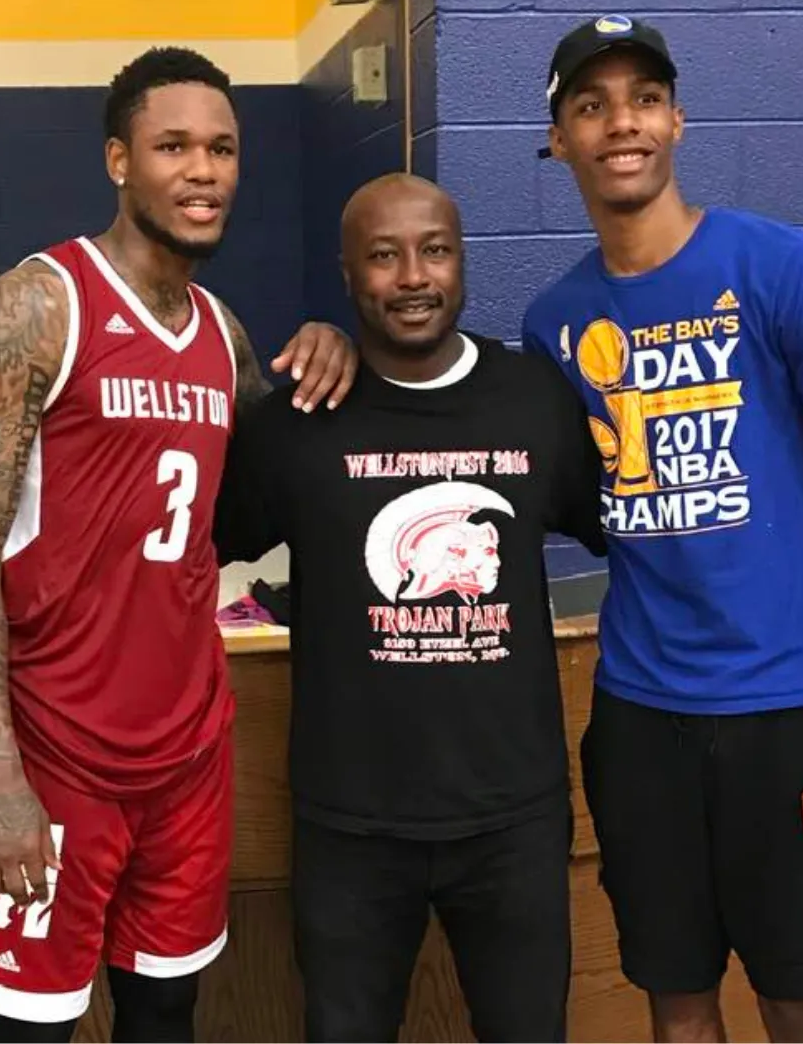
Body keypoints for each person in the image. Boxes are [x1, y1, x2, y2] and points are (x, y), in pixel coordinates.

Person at [0, 46, 356, 1044]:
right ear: (120, 160)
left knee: (167, 1010)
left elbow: (282, 476)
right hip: (55, 751)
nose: (204, 171)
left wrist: (332, 348)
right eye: (175, 147)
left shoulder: (223, 334)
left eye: (223, 149)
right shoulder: (37, 306)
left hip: (187, 753)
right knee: (34, 1025)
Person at [522, 15, 803, 1044]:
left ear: (678, 120)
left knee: (798, 1001)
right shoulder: (555, 323)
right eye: (590, 105)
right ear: (558, 139)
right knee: (676, 998)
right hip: (642, 719)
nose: (622, 124)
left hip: (791, 710)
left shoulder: (787, 270)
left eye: (644, 98)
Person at [213, 172, 606, 1042]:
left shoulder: (535, 400)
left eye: (434, 250)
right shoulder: (299, 423)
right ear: (348, 276)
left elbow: (634, 531)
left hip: (514, 818)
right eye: (383, 257)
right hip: (350, 823)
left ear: (462, 262)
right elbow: (191, 546)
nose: (413, 276)